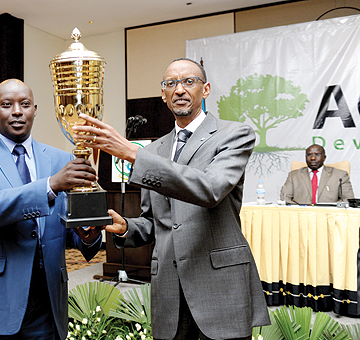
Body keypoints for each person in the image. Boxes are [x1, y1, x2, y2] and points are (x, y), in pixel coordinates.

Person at [73, 58, 270, 340]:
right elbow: (156, 221)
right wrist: (127, 228)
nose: (179, 89)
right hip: (169, 291)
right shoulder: (154, 149)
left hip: (220, 288)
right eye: (171, 84)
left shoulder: (234, 134)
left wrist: (133, 154)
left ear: (206, 89)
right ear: (163, 95)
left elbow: (210, 189)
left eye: (189, 81)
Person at [0, 79, 102, 340]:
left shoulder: (61, 159)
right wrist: (51, 185)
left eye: (25, 104)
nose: (17, 111)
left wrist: (88, 235)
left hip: (47, 301)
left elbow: (64, 227)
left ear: (35, 109)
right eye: (7, 105)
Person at [282, 144, 354, 205]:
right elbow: (285, 198)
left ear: (324, 157)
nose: (313, 158)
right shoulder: (293, 175)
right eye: (309, 155)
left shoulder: (340, 175)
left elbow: (348, 199)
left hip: (329, 216)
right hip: (301, 216)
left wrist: (331, 209)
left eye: (317, 155)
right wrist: (299, 210)